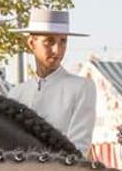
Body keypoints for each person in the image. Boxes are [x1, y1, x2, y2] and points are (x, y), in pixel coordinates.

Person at [7, 8, 97, 154]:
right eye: (49, 41)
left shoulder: (82, 88)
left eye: (63, 41)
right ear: (31, 43)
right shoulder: (16, 94)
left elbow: (78, 149)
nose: (57, 50)